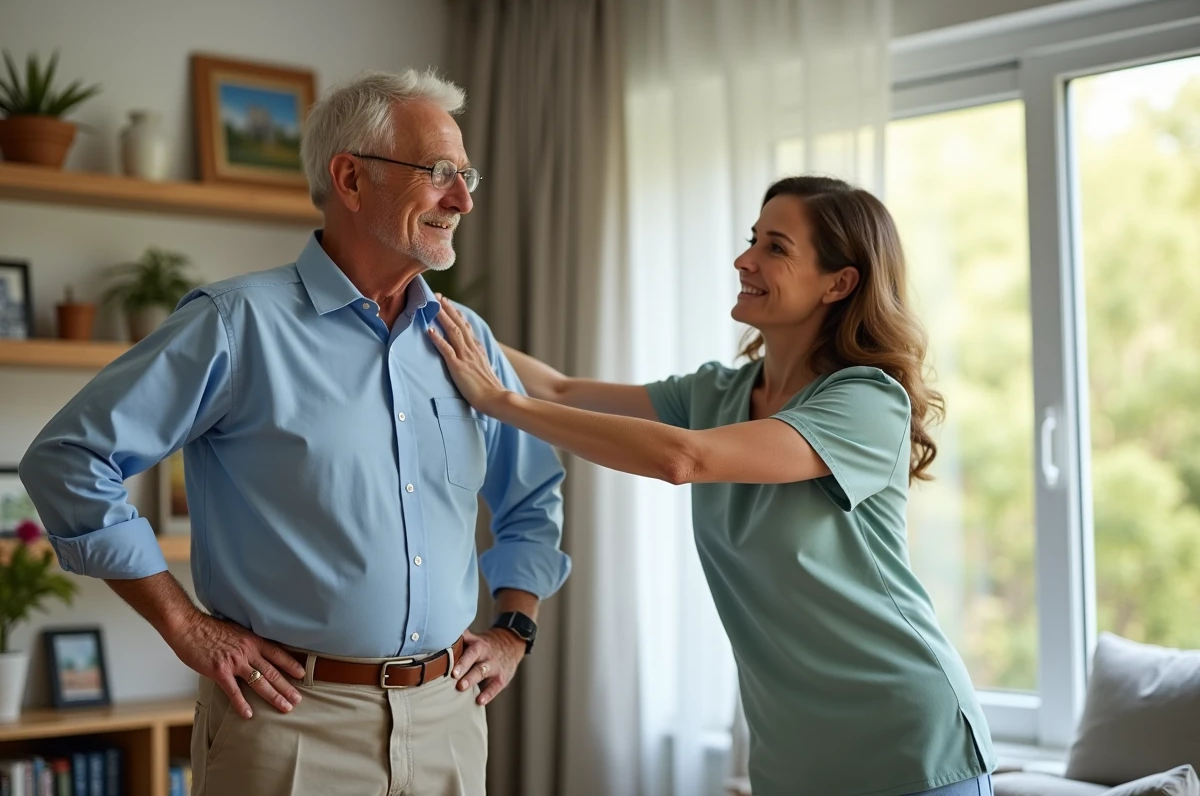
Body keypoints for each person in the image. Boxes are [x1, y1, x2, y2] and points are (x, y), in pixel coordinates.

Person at [19, 69, 569, 796]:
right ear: (350, 177)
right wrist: (183, 623)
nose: (463, 200)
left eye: (465, 175)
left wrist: (513, 633)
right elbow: (68, 460)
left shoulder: (470, 342)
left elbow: (533, 498)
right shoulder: (234, 325)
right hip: (290, 725)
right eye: (439, 174)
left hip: (450, 722)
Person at [429, 175, 997, 796]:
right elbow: (560, 390)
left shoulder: (865, 401)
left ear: (840, 283)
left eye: (776, 248)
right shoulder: (719, 393)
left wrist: (499, 402)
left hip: (906, 746)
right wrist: (426, 309)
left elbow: (685, 459)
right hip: (794, 761)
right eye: (753, 239)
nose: (744, 259)